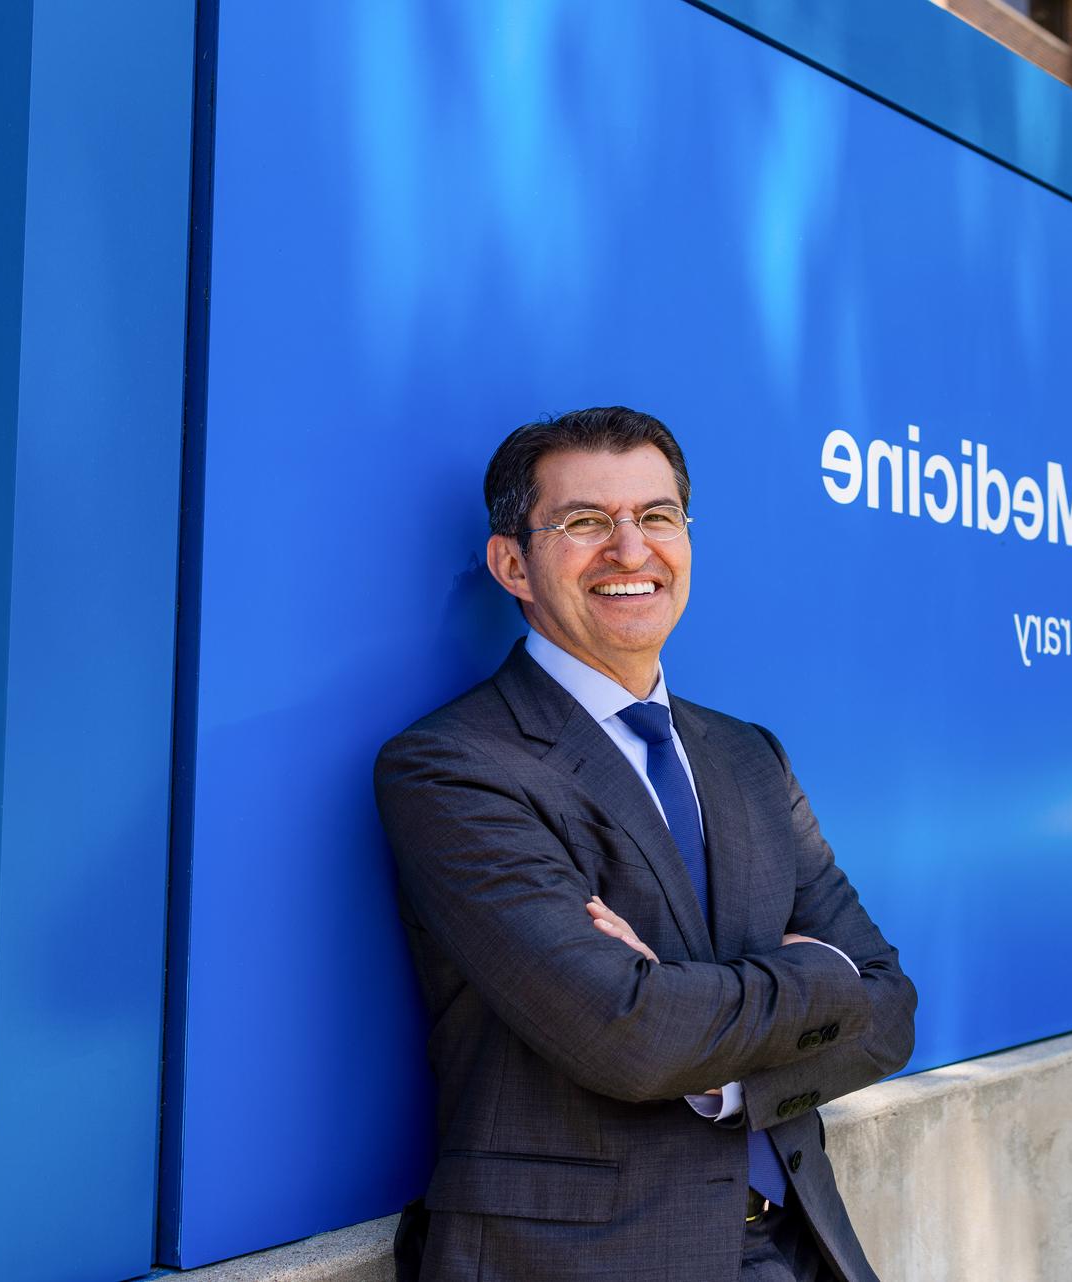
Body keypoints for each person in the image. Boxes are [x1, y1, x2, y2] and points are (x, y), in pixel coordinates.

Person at [375, 407, 917, 1282]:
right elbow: (632, 1036)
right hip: (577, 1261)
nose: (632, 551)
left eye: (657, 517)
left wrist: (712, 1053)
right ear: (513, 563)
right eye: (587, 522)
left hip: (793, 1246)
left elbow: (890, 1013)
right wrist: (824, 979)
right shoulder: (454, 766)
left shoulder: (747, 756)